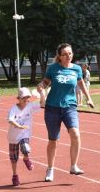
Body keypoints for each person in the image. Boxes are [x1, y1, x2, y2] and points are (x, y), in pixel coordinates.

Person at [37, 43, 94, 182]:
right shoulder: (53, 69)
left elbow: (81, 84)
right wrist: (41, 86)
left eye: (70, 53)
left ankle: (73, 166)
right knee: (53, 140)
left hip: (70, 107)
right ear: (60, 56)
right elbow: (45, 82)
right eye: (65, 54)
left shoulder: (76, 69)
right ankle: (50, 168)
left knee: (75, 133)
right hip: (52, 108)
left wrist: (89, 98)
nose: (68, 56)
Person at [7, 87, 46, 186]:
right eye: (24, 97)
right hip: (13, 137)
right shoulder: (13, 109)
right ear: (19, 98)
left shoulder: (30, 106)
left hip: (24, 134)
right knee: (14, 158)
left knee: (26, 148)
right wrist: (19, 126)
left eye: (28, 97)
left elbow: (42, 104)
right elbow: (10, 120)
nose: (26, 99)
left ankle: (26, 158)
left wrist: (42, 93)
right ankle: (15, 176)